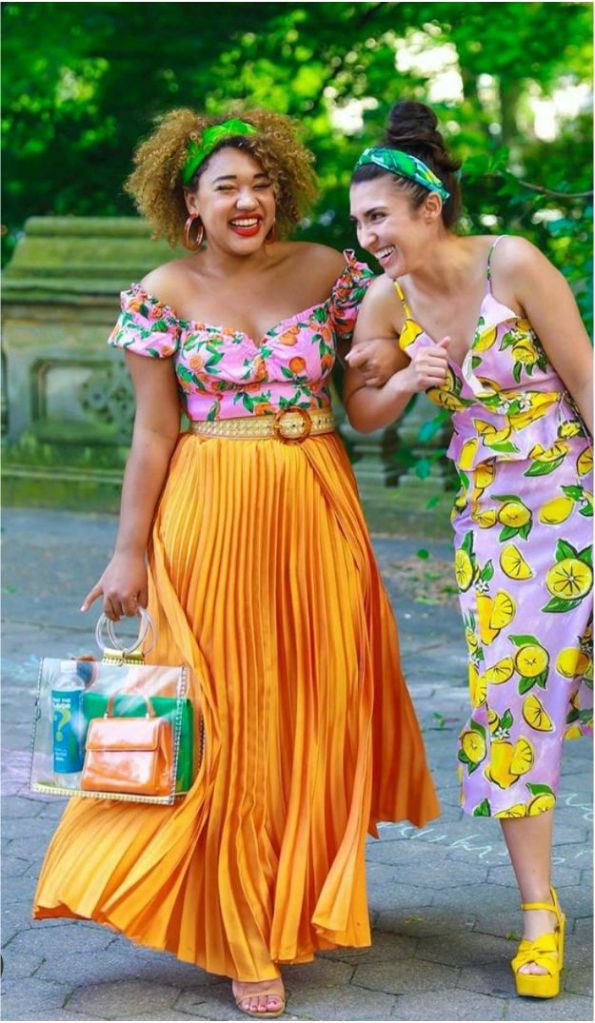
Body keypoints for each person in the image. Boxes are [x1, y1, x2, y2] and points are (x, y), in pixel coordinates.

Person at [33, 107, 439, 1019]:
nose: (248, 199)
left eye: (260, 183)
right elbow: (151, 429)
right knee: (221, 716)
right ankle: (239, 932)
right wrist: (128, 549)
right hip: (208, 512)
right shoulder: (160, 291)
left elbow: (367, 396)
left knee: (316, 703)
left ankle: (294, 893)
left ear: (281, 189)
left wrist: (410, 370)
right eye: (227, 187)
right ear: (191, 202)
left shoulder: (334, 272)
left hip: (315, 501)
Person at [344, 99, 593, 1001]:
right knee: (512, 699)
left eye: (377, 216)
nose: (366, 235)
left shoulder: (510, 263)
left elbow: (587, 381)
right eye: (356, 221)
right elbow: (362, 410)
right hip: (493, 526)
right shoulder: (385, 297)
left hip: (578, 497)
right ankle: (537, 915)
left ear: (426, 208)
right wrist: (407, 374)